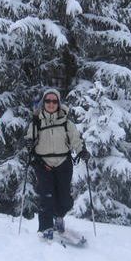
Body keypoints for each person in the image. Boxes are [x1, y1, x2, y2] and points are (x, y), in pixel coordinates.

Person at [24, 88, 90, 240]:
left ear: (58, 103)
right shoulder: (36, 122)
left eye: (54, 101)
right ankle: (46, 228)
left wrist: (81, 151)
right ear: (43, 103)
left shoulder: (67, 122)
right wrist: (28, 143)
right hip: (43, 163)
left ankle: (58, 217)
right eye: (48, 101)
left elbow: (76, 140)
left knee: (65, 199)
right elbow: (29, 139)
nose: (51, 104)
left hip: (63, 163)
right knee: (46, 197)